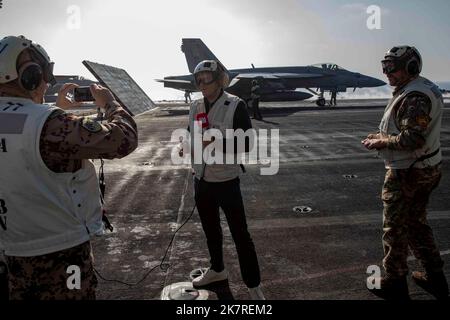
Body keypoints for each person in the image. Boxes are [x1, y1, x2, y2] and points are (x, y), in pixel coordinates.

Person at [0, 35, 138, 300]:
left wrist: (53, 111)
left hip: (14, 253)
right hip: (62, 255)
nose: (46, 81)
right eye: (43, 73)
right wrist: (109, 102)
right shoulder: (49, 124)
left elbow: (20, 129)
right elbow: (124, 139)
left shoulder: (43, 122)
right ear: (29, 75)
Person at [362, 46, 448, 300]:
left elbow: (413, 139)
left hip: (408, 172)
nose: (387, 72)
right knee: (415, 225)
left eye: (393, 67)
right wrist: (384, 136)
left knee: (395, 229)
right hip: (424, 167)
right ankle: (436, 279)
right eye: (385, 66)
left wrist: (382, 143)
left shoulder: (414, 97)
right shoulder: (418, 88)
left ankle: (394, 283)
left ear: (410, 67)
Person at [183, 60, 265, 300]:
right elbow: (190, 135)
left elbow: (247, 144)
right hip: (202, 181)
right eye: (198, 79)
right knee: (211, 231)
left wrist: (215, 142)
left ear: (220, 80)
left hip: (227, 182)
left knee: (241, 235)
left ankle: (254, 286)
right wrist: (185, 147)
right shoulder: (195, 105)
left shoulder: (235, 105)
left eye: (206, 77)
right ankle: (217, 270)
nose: (201, 83)